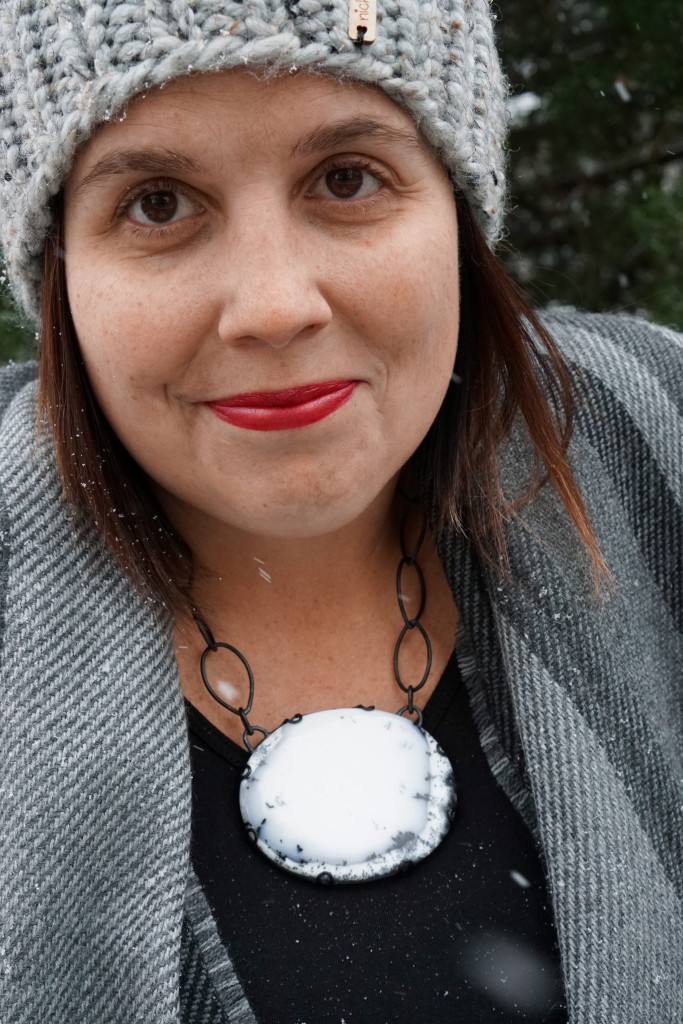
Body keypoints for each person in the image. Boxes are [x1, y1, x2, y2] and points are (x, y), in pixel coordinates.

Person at [0, 1, 681, 1021]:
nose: (274, 306)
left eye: (347, 179)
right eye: (155, 204)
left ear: (454, 207)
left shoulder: (653, 446)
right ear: (60, 268)